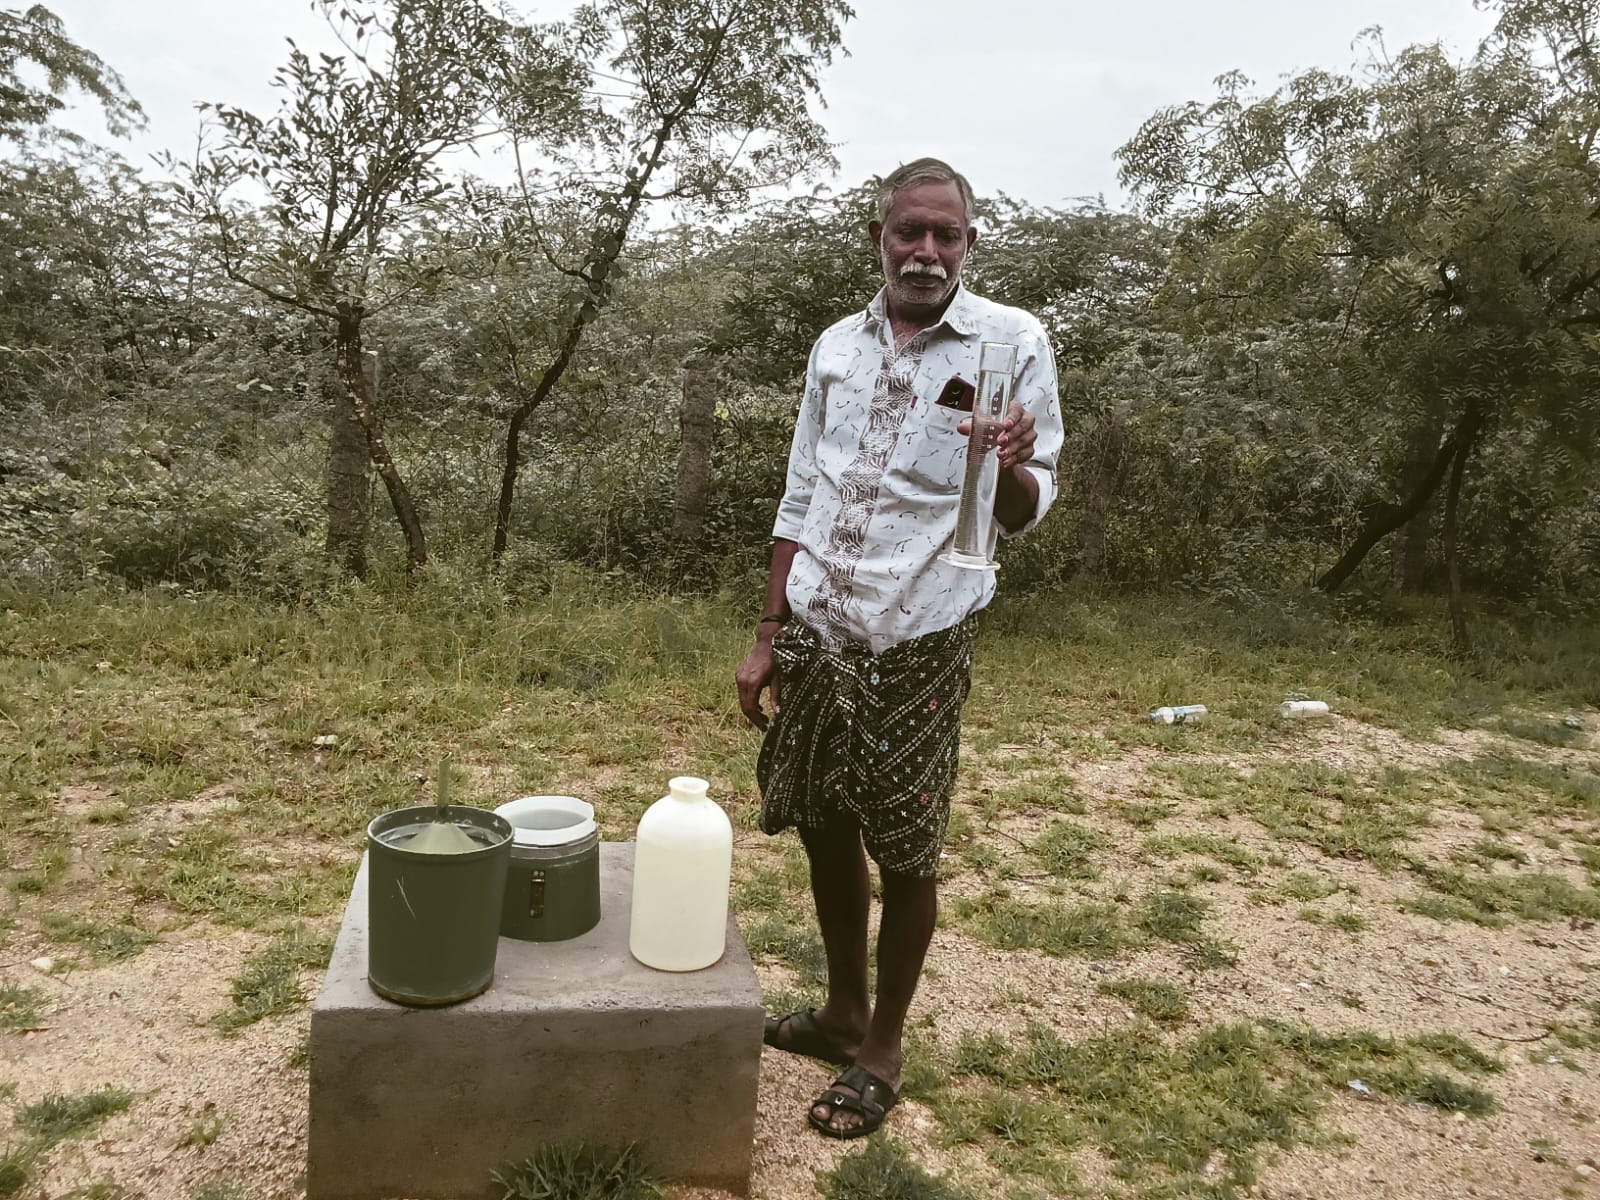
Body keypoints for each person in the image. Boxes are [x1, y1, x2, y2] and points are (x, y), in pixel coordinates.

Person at [734, 157, 1064, 1139]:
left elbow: (1028, 508)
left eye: (944, 235)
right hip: (819, 627)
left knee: (907, 843)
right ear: (879, 238)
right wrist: (768, 631)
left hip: (920, 631)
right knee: (825, 822)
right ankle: (842, 1013)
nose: (926, 251)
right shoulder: (836, 346)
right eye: (908, 233)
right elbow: (801, 490)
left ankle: (882, 1047)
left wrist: (1010, 464)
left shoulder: (1010, 344)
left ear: (968, 243)